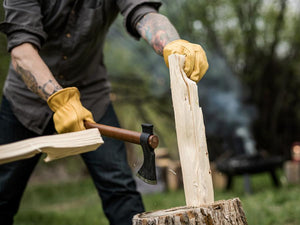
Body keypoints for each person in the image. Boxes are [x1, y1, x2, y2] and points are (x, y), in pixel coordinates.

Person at [0, 0, 209, 224]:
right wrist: (59, 99)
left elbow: (143, 12)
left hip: (91, 97)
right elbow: (21, 49)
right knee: (2, 194)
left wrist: (173, 44)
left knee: (120, 190)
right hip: (24, 101)